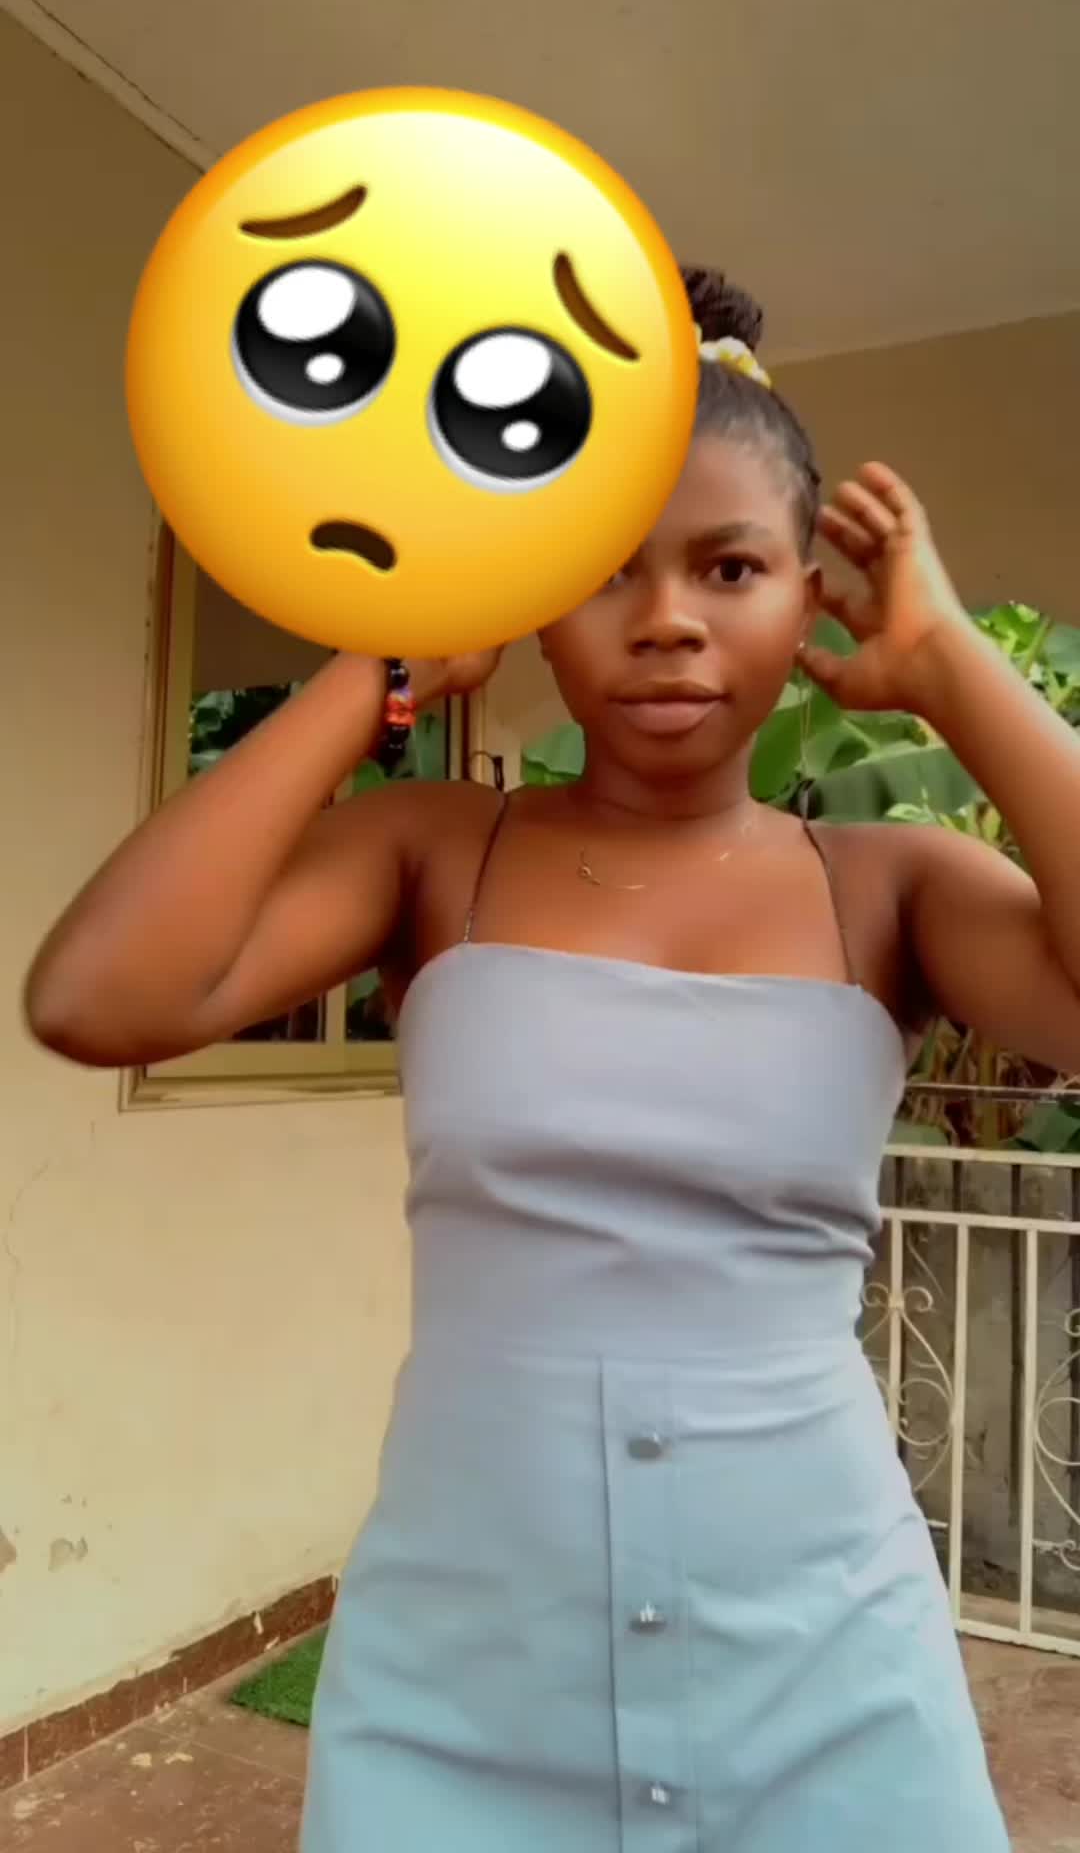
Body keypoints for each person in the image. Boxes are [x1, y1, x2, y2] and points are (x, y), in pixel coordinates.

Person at [30, 261, 1080, 1851]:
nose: (665, 621)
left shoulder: (890, 889)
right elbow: (98, 996)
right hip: (464, 1674)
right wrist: (371, 671)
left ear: (810, 593)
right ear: (525, 594)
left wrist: (952, 667)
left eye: (731, 567)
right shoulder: (435, 852)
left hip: (828, 1665)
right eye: (600, 571)